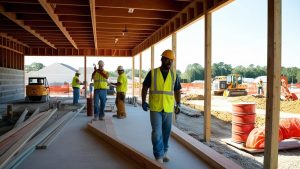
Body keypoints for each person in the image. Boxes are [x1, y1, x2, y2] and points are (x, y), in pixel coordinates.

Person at [141, 49, 181, 163]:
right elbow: (145, 87)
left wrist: (179, 104)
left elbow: (177, 90)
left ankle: (164, 152)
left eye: (171, 60)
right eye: (167, 59)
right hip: (155, 107)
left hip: (168, 108)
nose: (169, 62)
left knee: (166, 132)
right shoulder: (153, 73)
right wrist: (143, 101)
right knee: (156, 132)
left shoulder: (174, 76)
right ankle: (158, 155)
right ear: (162, 59)